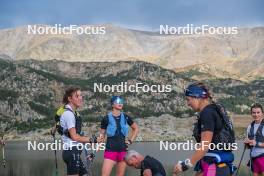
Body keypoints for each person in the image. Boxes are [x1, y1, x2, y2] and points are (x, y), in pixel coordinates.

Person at [173, 82, 235, 176]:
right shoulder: (215, 109)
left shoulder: (207, 113)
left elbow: (204, 146)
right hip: (220, 165)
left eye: (188, 99)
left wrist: (184, 165)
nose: (188, 103)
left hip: (213, 167)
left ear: (197, 96)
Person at [60, 87, 98, 176]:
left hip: (74, 152)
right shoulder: (69, 114)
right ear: (70, 99)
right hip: (72, 151)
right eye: (77, 96)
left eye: (81, 96)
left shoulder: (71, 113)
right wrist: (92, 140)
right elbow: (74, 137)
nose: (80, 98)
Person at [99, 96, 139, 176]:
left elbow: (136, 129)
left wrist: (130, 140)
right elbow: (102, 134)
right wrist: (98, 145)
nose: (120, 103)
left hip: (123, 151)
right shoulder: (106, 119)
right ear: (112, 104)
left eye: (121, 101)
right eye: (117, 101)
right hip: (110, 150)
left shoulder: (126, 117)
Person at [244, 103, 264, 176]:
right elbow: (248, 147)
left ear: (262, 113)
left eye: (258, 112)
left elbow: (255, 143)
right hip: (254, 159)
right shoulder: (250, 127)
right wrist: (246, 144)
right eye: (254, 113)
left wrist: (256, 143)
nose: (256, 115)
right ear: (251, 114)